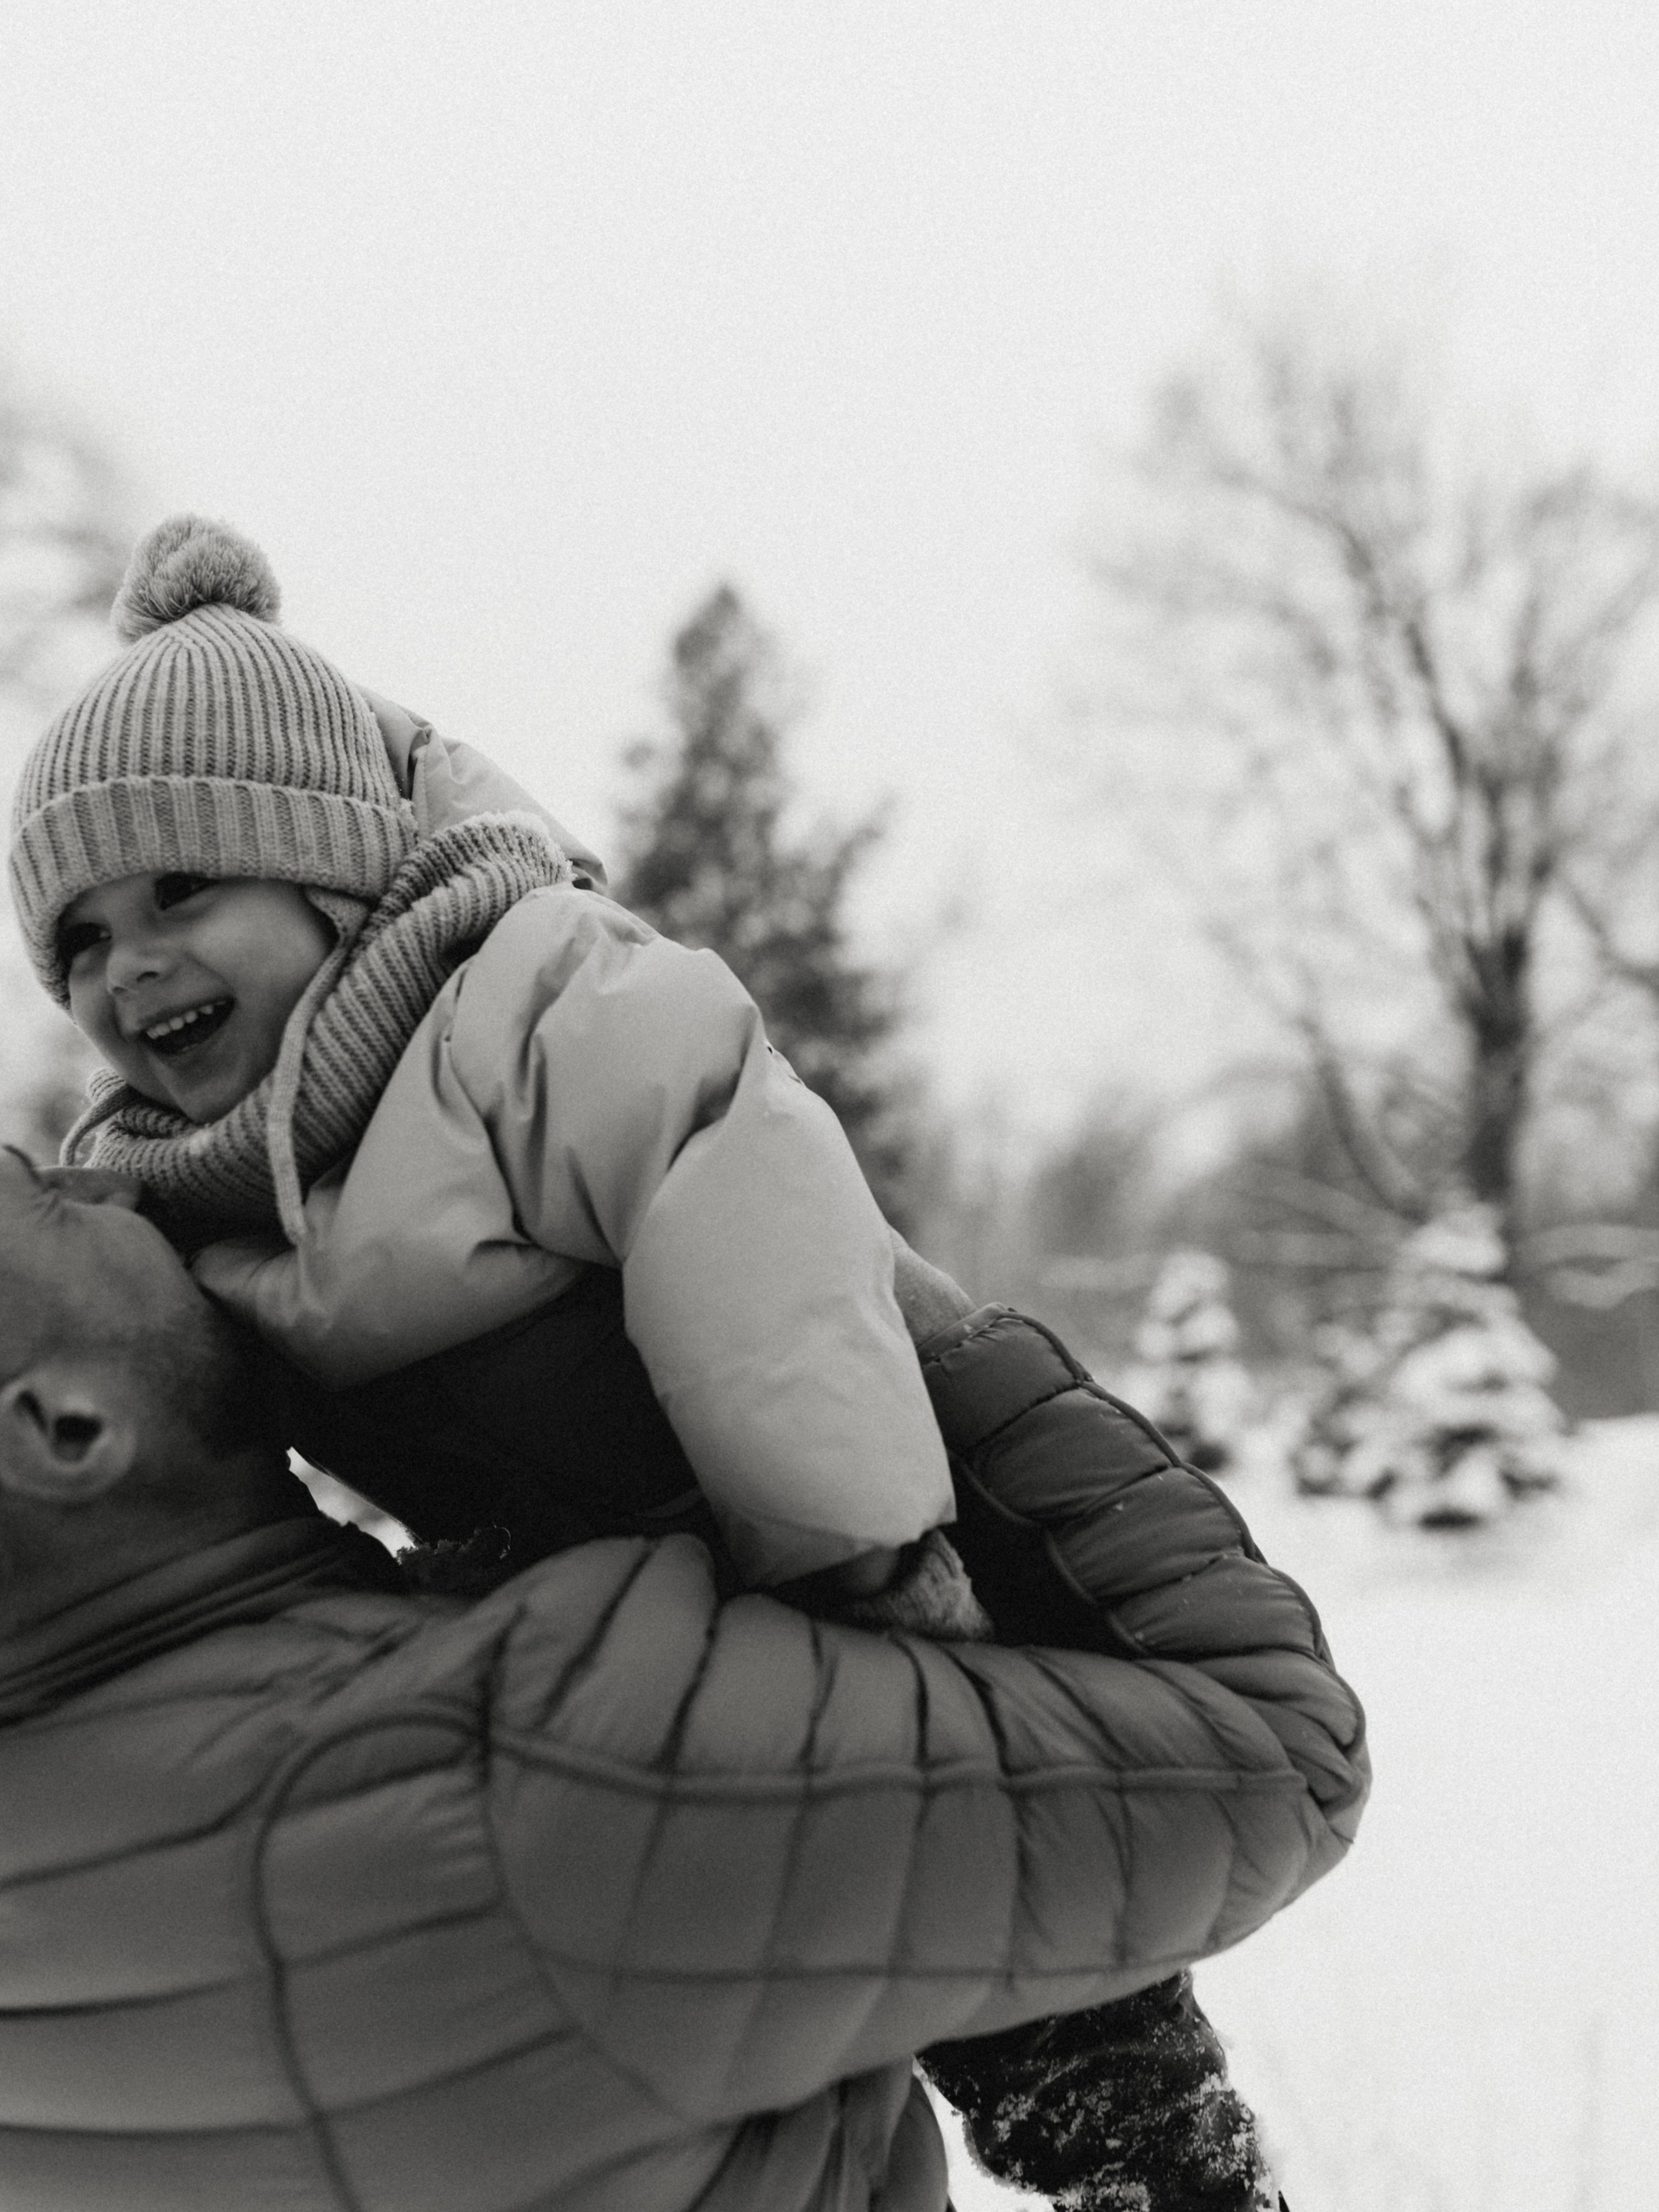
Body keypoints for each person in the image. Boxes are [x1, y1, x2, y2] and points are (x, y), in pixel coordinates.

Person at [10, 514, 1351, 2206]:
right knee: (841, 1938)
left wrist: (866, 1568)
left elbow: (754, 1239)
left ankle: (1160, 2158)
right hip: (645, 1577)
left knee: (1050, 1912)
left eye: (181, 888)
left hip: (898, 1473)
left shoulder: (526, 997)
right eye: (76, 942)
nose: (129, 965)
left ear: (331, 863)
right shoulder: (174, 1195)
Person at [0, 1149, 1369, 2210]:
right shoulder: (541, 1765)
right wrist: (853, 1295)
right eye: (32, 1197)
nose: (102, 1174)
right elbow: (1270, 1751)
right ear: (61, 1429)